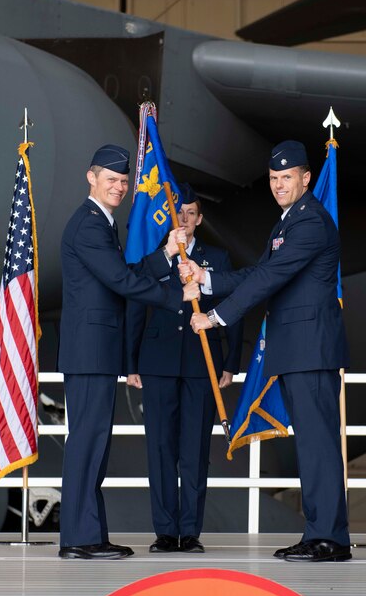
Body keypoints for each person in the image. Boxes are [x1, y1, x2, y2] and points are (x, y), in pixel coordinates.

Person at [183, 140, 351, 563]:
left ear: (306, 178)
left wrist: (215, 317)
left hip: (310, 349)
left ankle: (329, 537)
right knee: (310, 447)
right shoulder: (288, 222)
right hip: (296, 349)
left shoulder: (310, 221)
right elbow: (259, 272)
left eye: (286, 178)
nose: (278, 185)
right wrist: (207, 278)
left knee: (318, 446)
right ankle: (318, 533)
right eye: (274, 179)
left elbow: (270, 278)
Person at [57, 143, 199, 561]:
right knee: (87, 442)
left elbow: (124, 275)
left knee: (94, 443)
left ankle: (90, 534)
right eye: (112, 180)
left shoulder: (101, 224)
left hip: (95, 350)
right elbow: (122, 281)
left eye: (123, 182)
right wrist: (175, 296)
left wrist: (167, 254)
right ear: (91, 177)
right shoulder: (88, 225)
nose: (119, 188)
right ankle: (80, 539)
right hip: (90, 351)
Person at [125, 184, 243, 555]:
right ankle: (164, 531)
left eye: (191, 213)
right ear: (169, 217)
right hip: (157, 362)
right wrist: (130, 362)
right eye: (179, 213)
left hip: (201, 362)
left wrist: (230, 362)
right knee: (160, 447)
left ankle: (189, 531)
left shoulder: (218, 259)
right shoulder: (154, 256)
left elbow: (234, 309)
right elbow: (135, 307)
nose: (186, 220)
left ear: (200, 219)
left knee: (194, 448)